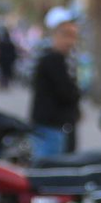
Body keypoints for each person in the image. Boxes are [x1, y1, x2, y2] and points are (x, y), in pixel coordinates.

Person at [30, 9, 82, 158]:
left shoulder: (65, 59)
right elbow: (66, 92)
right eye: (66, 35)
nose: (70, 41)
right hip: (51, 127)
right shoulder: (52, 59)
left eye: (73, 36)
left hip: (60, 127)